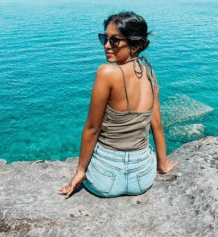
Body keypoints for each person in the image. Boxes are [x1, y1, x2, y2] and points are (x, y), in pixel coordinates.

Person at [59, 12, 178, 198]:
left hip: (104, 180)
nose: (106, 45)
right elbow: (156, 124)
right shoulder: (150, 73)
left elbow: (92, 128)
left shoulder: (106, 73)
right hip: (142, 179)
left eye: (114, 40)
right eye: (104, 38)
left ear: (134, 44)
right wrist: (162, 164)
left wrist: (80, 172)